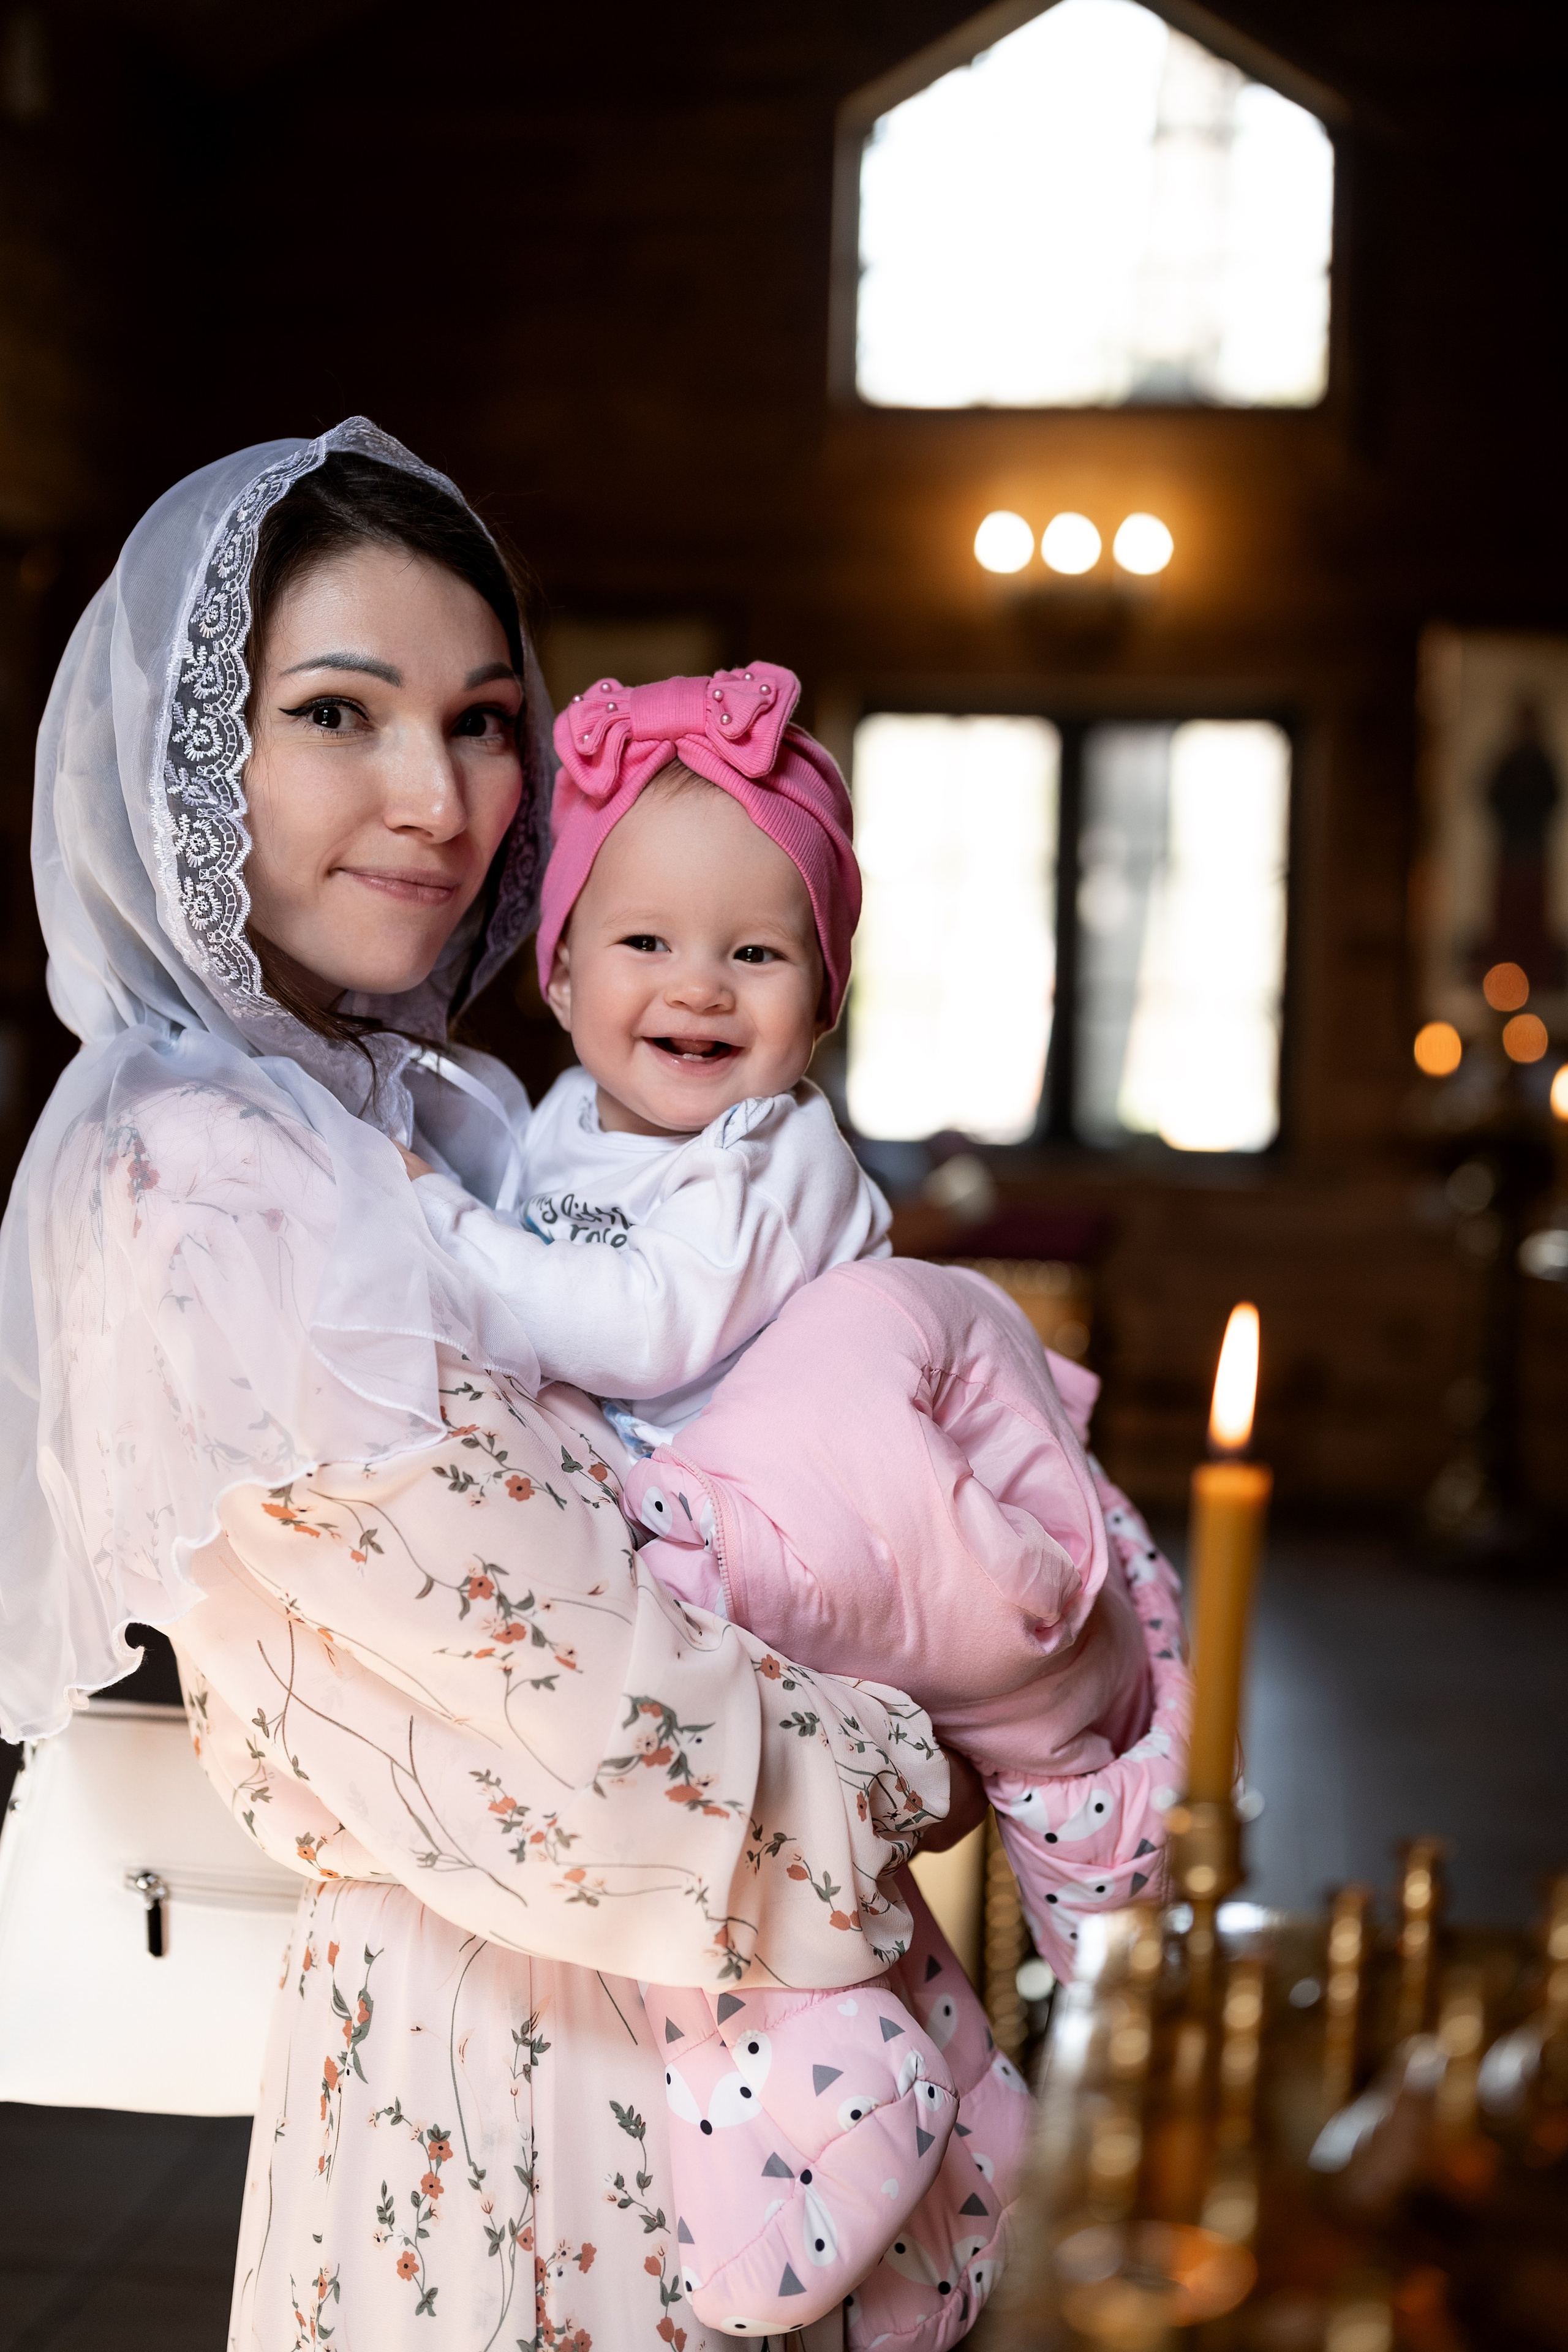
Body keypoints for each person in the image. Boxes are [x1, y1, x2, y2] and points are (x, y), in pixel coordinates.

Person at [0, 420, 1000, 2352]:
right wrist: (917, 1744)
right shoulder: (208, 1179)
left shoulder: (433, 1116)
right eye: (339, 715)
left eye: (478, 722)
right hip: (530, 2075)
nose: (436, 799)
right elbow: (599, 1729)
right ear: (196, 759)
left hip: (687, 2041)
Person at [393, 669, 1191, 2337]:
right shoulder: (553, 1134)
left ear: (820, 1001)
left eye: (757, 954)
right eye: (645, 943)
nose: (698, 987)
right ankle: (860, 2106)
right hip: (675, 1533)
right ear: (557, 966)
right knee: (672, 1889)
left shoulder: (772, 1156)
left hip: (798, 1526)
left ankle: (874, 2098)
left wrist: (422, 1241)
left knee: (752, 1861)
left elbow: (644, 1329)